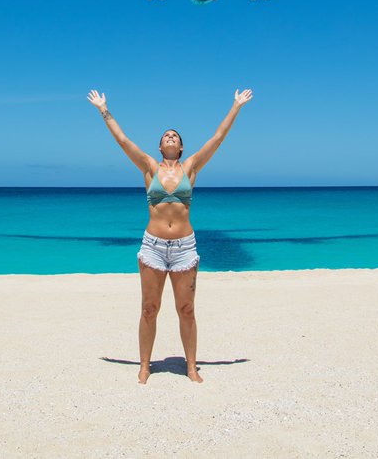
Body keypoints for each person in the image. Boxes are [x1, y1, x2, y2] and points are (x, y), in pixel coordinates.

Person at [87, 88, 253, 383]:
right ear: (161, 146)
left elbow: (217, 139)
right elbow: (123, 141)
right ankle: (144, 365)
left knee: (186, 309)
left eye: (174, 136)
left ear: (181, 146)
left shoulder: (191, 167)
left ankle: (191, 367)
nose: (170, 137)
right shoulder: (149, 167)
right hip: (152, 246)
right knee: (149, 308)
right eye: (166, 136)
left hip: (185, 248)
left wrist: (236, 106)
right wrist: (104, 110)